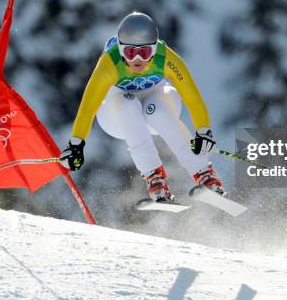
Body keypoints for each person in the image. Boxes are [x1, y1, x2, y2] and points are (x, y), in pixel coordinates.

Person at [59, 11, 225, 202]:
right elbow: (88, 107)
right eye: (130, 52)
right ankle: (154, 177)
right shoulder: (109, 64)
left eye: (144, 52)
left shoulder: (167, 59)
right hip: (116, 113)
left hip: (153, 100)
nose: (137, 59)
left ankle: (205, 173)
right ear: (120, 49)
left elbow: (192, 98)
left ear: (154, 49)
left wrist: (203, 132)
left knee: (158, 111)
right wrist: (76, 145)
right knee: (128, 105)